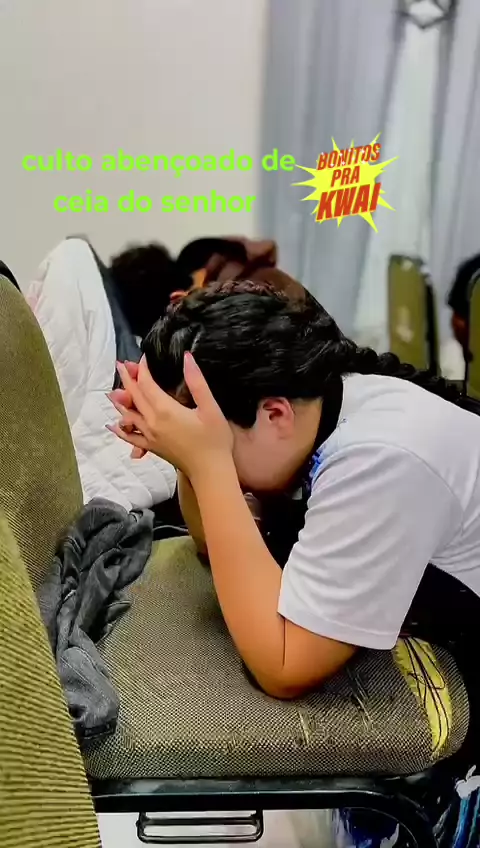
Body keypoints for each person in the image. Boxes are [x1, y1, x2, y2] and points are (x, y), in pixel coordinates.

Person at [107, 278, 480, 706]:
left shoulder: (380, 460)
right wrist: (188, 453)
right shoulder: (319, 404)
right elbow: (214, 544)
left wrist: (207, 463)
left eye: (213, 438)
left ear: (274, 414)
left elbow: (285, 665)